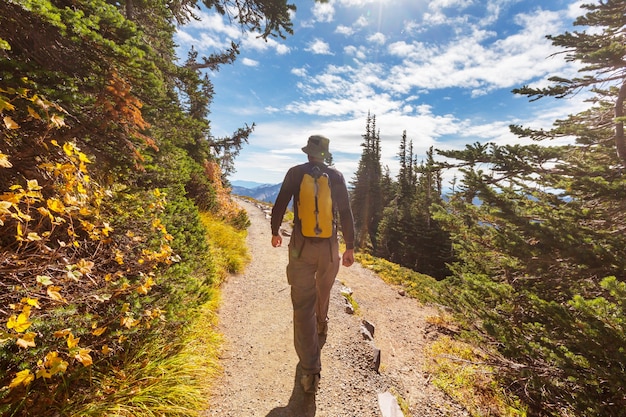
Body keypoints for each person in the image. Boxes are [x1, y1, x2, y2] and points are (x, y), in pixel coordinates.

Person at [270, 134, 355, 394]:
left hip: (301, 247)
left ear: (308, 153)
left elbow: (280, 203)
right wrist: (350, 246)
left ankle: (310, 371)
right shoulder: (337, 176)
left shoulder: (295, 173)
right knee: (324, 288)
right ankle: (322, 320)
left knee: (301, 305)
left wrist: (275, 231)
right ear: (326, 154)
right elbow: (346, 212)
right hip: (329, 248)